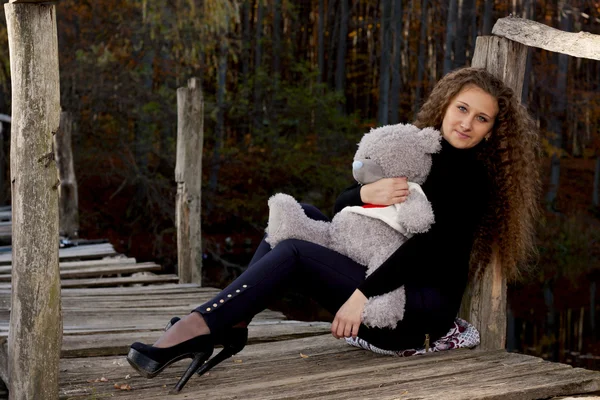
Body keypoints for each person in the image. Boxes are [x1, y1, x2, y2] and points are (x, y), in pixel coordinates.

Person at [126, 67, 541, 392]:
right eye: (462, 109)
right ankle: (231, 324)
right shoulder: (419, 151)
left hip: (415, 312)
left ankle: (198, 328)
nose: (467, 123)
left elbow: (426, 249)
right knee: (298, 215)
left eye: (481, 118)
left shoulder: (469, 178)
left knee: (294, 252)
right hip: (388, 281)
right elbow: (340, 208)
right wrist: (368, 192)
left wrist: (361, 296)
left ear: (492, 132)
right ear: (446, 105)